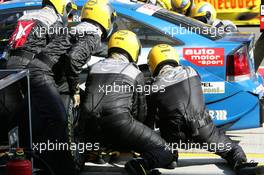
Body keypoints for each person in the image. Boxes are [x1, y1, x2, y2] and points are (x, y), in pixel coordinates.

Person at [147, 43, 264, 175]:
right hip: (202, 129)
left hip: (174, 135)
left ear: (153, 63)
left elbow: (149, 123)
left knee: (158, 139)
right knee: (233, 150)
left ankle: (168, 158)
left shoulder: (153, 87)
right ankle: (243, 167)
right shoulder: (191, 71)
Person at [79, 30, 175, 175]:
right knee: (166, 151)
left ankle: (96, 151)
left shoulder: (94, 68)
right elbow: (140, 112)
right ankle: (139, 166)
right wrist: (137, 139)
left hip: (90, 126)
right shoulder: (134, 72)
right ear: (133, 49)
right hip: (119, 122)